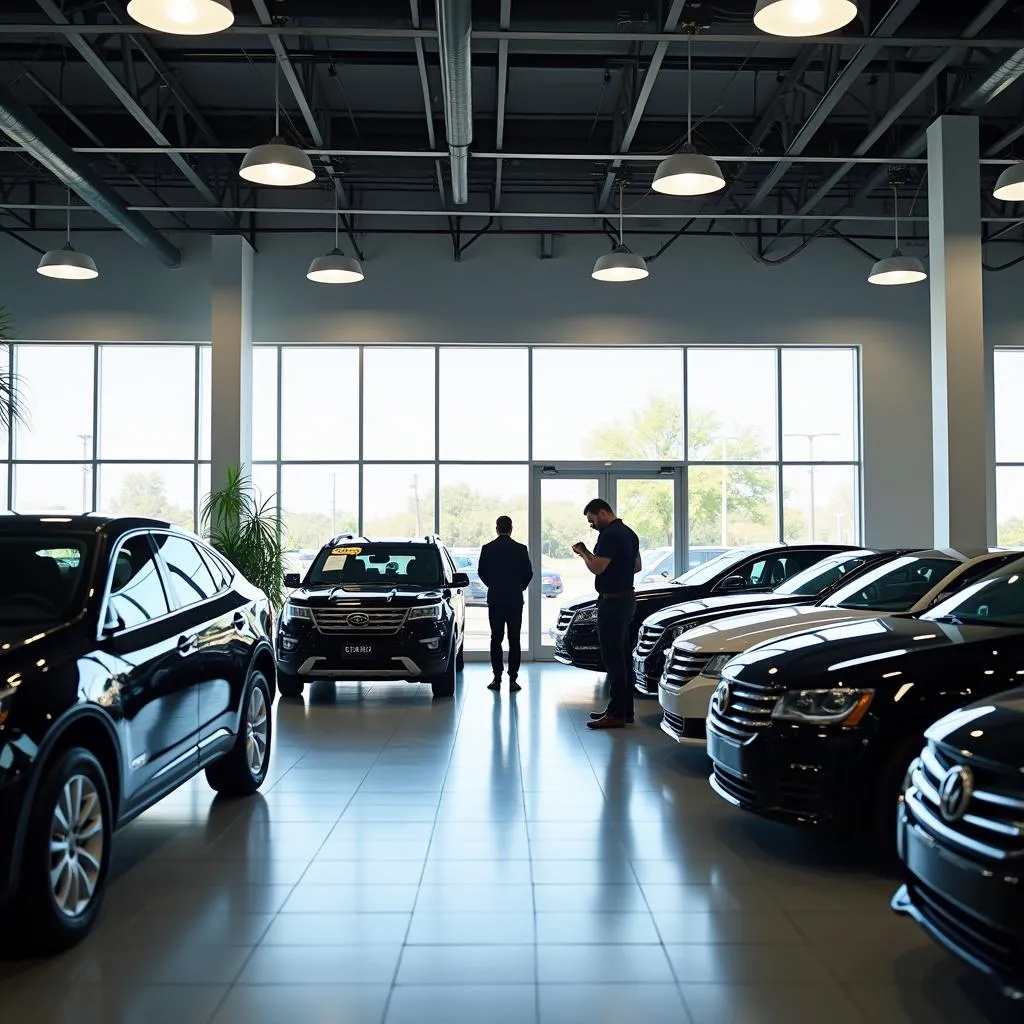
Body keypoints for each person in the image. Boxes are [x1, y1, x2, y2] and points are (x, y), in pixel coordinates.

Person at [572, 498, 641, 729]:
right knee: (623, 657)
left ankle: (616, 714)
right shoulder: (630, 533)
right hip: (627, 599)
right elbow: (636, 566)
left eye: (592, 520)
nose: (592, 525)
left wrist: (583, 552)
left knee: (612, 658)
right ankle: (624, 710)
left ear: (602, 513)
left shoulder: (610, 534)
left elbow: (597, 567)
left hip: (612, 603)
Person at [477, 515, 533, 692]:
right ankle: (513, 679)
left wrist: (493, 585)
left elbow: (481, 572)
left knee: (496, 639)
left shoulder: (487, 549)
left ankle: (497, 678)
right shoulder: (521, 549)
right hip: (515, 599)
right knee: (514, 639)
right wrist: (519, 587)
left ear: (496, 528)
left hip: (495, 599)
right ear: (511, 529)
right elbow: (528, 573)